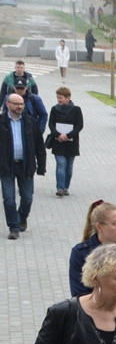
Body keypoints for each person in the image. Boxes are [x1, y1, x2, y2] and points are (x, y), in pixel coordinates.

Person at [0, 90, 45, 240]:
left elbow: (39, 145)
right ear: (8, 104)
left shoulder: (29, 122)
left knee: (27, 198)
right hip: (6, 166)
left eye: (21, 104)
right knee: (8, 199)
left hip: (25, 166)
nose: (20, 107)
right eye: (16, 104)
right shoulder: (1, 122)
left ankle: (22, 217)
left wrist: (41, 166)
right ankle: (13, 227)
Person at [47, 85, 82, 197]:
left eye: (61, 97)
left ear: (68, 98)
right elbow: (51, 124)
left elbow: (79, 125)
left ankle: (66, 186)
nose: (59, 100)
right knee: (61, 163)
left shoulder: (76, 110)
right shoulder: (54, 109)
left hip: (71, 142)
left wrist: (68, 135)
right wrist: (58, 135)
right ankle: (60, 187)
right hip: (58, 141)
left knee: (69, 166)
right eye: (57, 97)